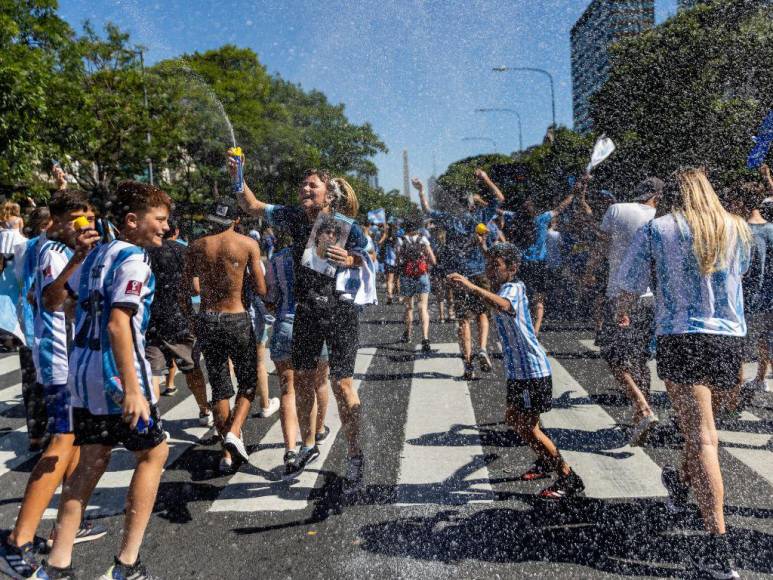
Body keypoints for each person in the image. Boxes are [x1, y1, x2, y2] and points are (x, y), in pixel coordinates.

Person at [616, 168, 750, 579]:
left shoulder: (659, 230)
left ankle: (718, 550)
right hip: (729, 340)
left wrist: (621, 311)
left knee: (702, 437)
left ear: (672, 195)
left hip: (682, 336)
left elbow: (629, 283)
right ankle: (678, 480)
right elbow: (738, 278)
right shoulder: (736, 228)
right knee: (704, 429)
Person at [41, 181, 173, 580]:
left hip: (83, 376)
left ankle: (58, 564)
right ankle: (127, 563)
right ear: (132, 222)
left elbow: (51, 301)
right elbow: (119, 324)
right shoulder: (134, 259)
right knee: (153, 454)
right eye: (160, 220)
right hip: (117, 377)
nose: (166, 228)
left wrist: (77, 257)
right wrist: (134, 390)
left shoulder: (94, 254)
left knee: (90, 462)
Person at [235, 163, 375, 489]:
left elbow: (368, 254)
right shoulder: (293, 216)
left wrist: (350, 259)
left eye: (313, 185)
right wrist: (238, 176)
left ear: (329, 193)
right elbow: (252, 205)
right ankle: (308, 444)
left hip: (340, 312)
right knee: (303, 380)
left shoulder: (344, 225)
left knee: (342, 385)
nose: (305, 189)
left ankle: (356, 455)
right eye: (303, 185)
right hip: (307, 311)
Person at [0, 192, 106, 579]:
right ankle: (17, 541)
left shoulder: (55, 249)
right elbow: (52, 298)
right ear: (57, 221)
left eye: (90, 218)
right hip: (58, 362)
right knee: (61, 442)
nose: (86, 226)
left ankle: (65, 523)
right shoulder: (52, 253)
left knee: (73, 442)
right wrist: (79, 257)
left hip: (70, 359)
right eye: (78, 219)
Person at [448, 243, 585, 500]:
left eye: (496, 266)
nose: (490, 269)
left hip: (531, 372)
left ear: (512, 268)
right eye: (488, 264)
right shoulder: (504, 287)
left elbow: (502, 305)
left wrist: (471, 286)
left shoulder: (513, 288)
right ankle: (546, 462)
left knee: (528, 426)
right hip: (520, 373)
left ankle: (568, 477)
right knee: (515, 419)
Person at [187, 198, 266, 474]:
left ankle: (226, 456)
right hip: (237, 317)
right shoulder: (247, 245)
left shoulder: (197, 246)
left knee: (219, 387)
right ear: (236, 221)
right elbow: (261, 288)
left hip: (207, 318)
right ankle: (234, 431)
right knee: (248, 382)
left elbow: (191, 288)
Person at [583, 177, 664, 445]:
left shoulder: (616, 209)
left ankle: (642, 408)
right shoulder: (660, 217)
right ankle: (640, 414)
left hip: (619, 296)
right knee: (640, 359)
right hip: (650, 299)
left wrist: (590, 271)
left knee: (613, 356)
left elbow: (601, 246)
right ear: (657, 196)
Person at [414, 169, 505, 380]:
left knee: (463, 320)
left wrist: (420, 191)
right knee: (483, 314)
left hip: (458, 275)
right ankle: (482, 348)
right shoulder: (480, 217)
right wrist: (485, 178)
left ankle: (468, 365)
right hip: (479, 272)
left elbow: (427, 211)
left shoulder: (449, 218)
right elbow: (500, 198)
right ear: (472, 205)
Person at [266, 244, 332, 478]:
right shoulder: (321, 254)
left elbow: (270, 296)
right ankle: (317, 431)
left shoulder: (278, 258)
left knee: (288, 390)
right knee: (319, 383)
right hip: (314, 324)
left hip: (285, 323)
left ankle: (290, 449)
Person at [145, 220, 213, 427]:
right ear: (176, 231)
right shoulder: (184, 251)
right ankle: (204, 410)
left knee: (153, 373)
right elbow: (196, 288)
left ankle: (154, 419)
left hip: (152, 320)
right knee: (192, 369)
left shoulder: (144, 252)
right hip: (181, 318)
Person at [514, 177, 584, 334]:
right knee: (539, 300)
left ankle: (523, 328)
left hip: (523, 265)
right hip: (539, 265)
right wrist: (574, 192)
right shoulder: (542, 219)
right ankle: (536, 331)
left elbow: (501, 212)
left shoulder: (517, 221)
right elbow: (560, 208)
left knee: (523, 298)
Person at [14, 207, 52, 452]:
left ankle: (36, 434)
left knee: (32, 382)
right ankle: (49, 435)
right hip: (40, 323)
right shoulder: (44, 248)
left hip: (28, 322)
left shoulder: (22, 249)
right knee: (44, 381)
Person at [740, 165, 773, 395]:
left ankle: (733, 393)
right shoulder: (772, 230)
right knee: (767, 342)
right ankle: (761, 379)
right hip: (771, 300)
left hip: (748, 300)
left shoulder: (739, 230)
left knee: (739, 348)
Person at [396, 217, 436, 352]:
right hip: (421, 276)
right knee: (423, 307)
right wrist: (425, 264)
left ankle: (407, 334)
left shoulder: (401, 240)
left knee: (409, 307)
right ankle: (425, 337)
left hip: (407, 276)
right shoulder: (423, 239)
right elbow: (433, 259)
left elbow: (398, 260)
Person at [379, 223, 399, 304]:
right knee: (397, 280)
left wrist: (384, 235)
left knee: (389, 280)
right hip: (397, 262)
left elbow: (379, 244)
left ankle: (390, 295)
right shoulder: (398, 239)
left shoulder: (386, 240)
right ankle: (399, 296)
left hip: (388, 262)